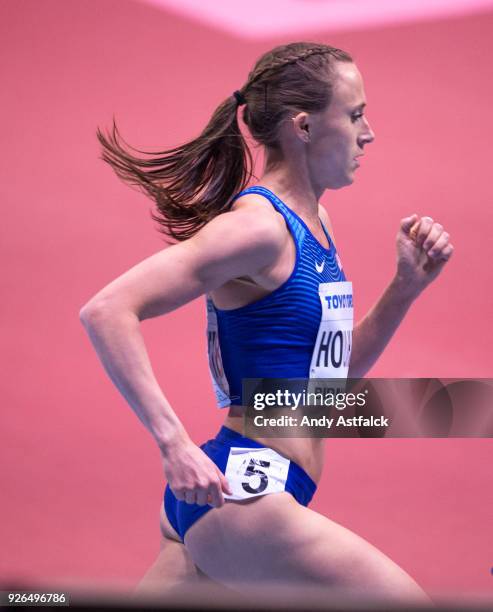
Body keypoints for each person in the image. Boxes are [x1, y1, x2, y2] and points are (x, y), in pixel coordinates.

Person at [80, 42, 453, 604]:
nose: (368, 133)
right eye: (354, 116)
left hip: (243, 492)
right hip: (243, 502)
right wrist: (173, 443)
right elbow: (108, 310)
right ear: (303, 127)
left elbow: (327, 382)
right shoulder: (259, 229)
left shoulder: (315, 221)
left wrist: (406, 286)